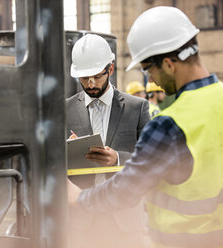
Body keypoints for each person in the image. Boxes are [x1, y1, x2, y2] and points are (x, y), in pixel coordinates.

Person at [68, 6, 223, 248]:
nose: (150, 80)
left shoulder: (169, 125)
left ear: (169, 64)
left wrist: (80, 199)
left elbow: (127, 188)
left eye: (148, 69)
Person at [66, 33, 150, 248]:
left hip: (124, 220)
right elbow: (48, 163)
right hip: (80, 221)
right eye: (84, 78)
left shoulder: (136, 108)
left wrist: (117, 159)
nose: (90, 83)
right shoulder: (63, 110)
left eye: (96, 76)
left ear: (110, 69)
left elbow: (150, 160)